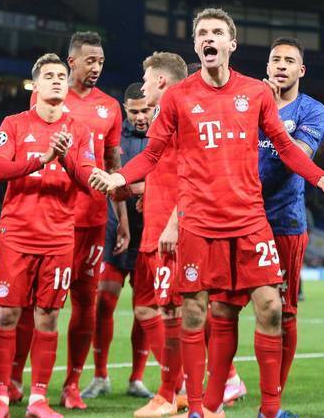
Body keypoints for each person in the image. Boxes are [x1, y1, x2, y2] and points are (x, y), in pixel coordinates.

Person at [89, 7, 324, 418]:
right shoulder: (178, 97)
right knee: (196, 313)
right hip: (199, 222)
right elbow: (152, 154)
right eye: (202, 33)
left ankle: (270, 410)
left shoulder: (256, 93)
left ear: (231, 43)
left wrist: (320, 178)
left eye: (216, 32)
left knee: (271, 307)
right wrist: (118, 177)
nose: (209, 38)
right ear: (196, 45)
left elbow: (284, 147)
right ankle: (197, 408)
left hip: (249, 219)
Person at [11, 32, 125, 409]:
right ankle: (14, 378)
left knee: (85, 302)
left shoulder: (110, 107)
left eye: (101, 62)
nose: (97, 67)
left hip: (93, 219)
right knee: (31, 302)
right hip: (51, 217)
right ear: (71, 61)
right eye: (90, 60)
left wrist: (121, 218)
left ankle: (72, 383)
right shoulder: (46, 96)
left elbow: (113, 165)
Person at [217, 36, 324, 406]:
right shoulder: (244, 101)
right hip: (236, 218)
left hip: (283, 223)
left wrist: (266, 116)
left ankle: (273, 398)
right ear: (267, 66)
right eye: (275, 59)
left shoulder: (312, 110)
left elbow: (297, 155)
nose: (281, 65)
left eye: (289, 60)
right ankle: (227, 381)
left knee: (283, 311)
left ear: (301, 70)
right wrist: (255, 108)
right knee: (221, 306)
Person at [0, 53, 96, 418]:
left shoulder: (80, 131)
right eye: (48, 76)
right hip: (17, 234)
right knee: (7, 315)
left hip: (59, 237)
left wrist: (64, 159)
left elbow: (88, 181)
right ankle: (0, 398)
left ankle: (38, 400)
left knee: (48, 317)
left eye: (61, 75)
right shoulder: (15, 123)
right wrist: (44, 157)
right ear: (35, 84)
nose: (57, 80)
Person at [81, 83, 156, 400]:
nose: (140, 117)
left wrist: (136, 188)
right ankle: (100, 376)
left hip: (150, 231)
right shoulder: (115, 137)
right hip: (115, 230)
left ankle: (137, 378)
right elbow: (109, 180)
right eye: (134, 111)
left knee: (145, 308)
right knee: (104, 301)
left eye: (145, 110)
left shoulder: (162, 134)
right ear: (125, 109)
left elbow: (167, 179)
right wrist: (123, 213)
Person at [131, 51, 190, 417]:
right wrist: (148, 193)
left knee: (173, 312)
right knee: (159, 309)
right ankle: (178, 391)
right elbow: (165, 168)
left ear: (161, 80)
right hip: (154, 228)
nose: (143, 86)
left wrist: (172, 222)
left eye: (146, 79)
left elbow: (192, 173)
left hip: (170, 231)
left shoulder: (180, 114)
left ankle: (169, 394)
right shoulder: (162, 115)